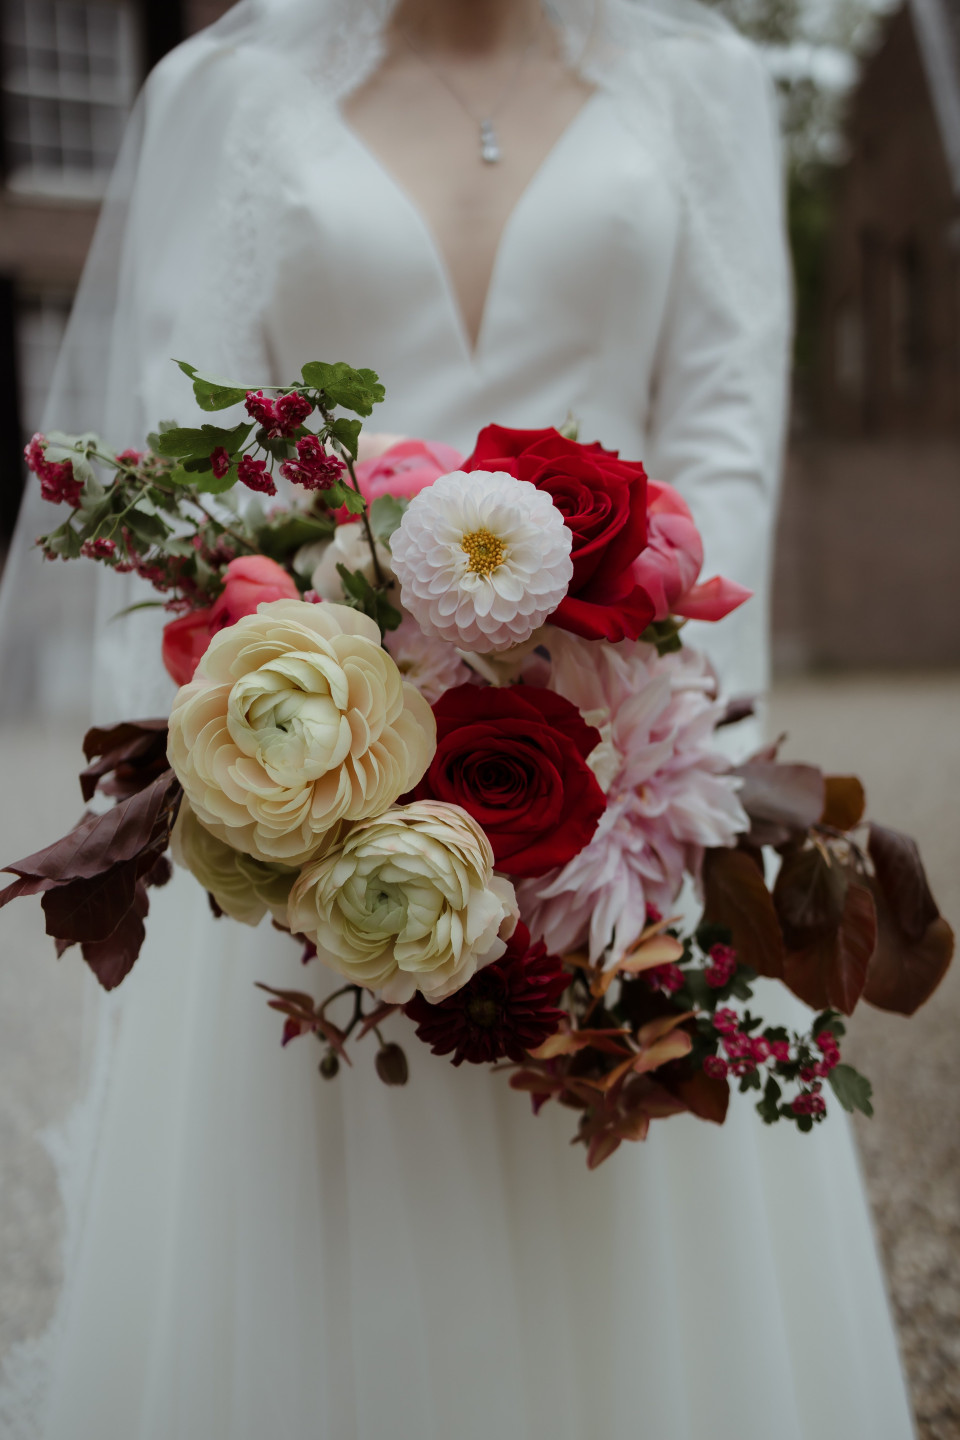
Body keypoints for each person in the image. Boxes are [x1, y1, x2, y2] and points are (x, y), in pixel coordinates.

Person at [0, 1, 916, 1436]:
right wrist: (336, 739)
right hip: (334, 772)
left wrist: (653, 738)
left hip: (634, 781)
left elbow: (727, 422)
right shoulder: (224, 96)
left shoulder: (704, 86)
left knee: (635, 1196)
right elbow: (184, 442)